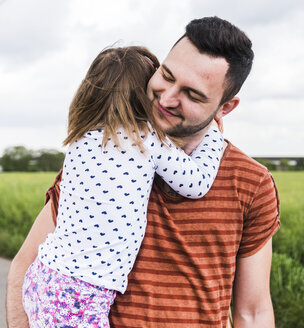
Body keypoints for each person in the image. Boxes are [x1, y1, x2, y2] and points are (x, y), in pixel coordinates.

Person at [7, 16, 280, 328]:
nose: (166, 99)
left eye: (192, 94)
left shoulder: (250, 183)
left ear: (225, 107)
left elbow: (254, 311)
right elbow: (24, 266)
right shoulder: (104, 157)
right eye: (166, 75)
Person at [20, 46, 224, 327]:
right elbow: (196, 183)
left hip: (44, 274)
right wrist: (213, 131)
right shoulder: (146, 139)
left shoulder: (81, 139)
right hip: (81, 294)